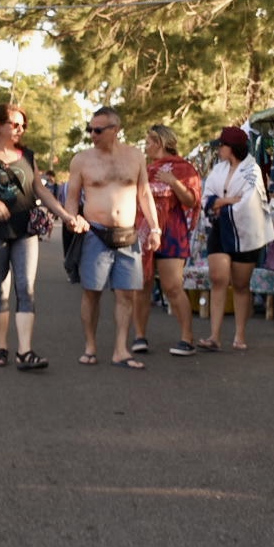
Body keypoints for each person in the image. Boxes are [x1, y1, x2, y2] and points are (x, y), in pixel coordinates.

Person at [0, 102, 84, 371]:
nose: (20, 129)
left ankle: (25, 352)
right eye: (14, 124)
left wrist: (66, 216)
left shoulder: (27, 155)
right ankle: (2, 347)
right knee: (0, 288)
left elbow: (40, 190)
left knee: (26, 288)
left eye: (22, 125)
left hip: (25, 228)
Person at [65, 107, 159, 369]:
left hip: (128, 234)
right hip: (95, 232)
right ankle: (90, 346)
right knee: (91, 292)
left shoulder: (134, 156)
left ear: (115, 130)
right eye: (90, 129)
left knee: (126, 294)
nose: (92, 135)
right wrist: (74, 219)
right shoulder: (82, 160)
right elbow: (72, 199)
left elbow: (144, 194)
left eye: (98, 130)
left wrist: (155, 228)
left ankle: (121, 349)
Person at [197, 125, 274, 352]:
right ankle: (214, 335)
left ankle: (240, 335)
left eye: (222, 145)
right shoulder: (218, 170)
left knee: (241, 285)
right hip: (220, 229)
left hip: (245, 233)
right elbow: (207, 195)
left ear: (231, 148)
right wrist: (225, 201)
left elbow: (250, 201)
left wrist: (222, 202)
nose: (219, 149)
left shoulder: (253, 170)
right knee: (218, 279)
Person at [130, 124, 201, 358]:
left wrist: (173, 181)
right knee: (142, 286)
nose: (146, 146)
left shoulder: (184, 168)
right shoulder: (147, 169)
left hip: (172, 232)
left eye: (149, 142)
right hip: (144, 231)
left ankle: (187, 338)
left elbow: (191, 201)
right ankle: (140, 336)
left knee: (172, 286)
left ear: (159, 142)